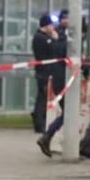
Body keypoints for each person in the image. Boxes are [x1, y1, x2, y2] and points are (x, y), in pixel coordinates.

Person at [33, 13, 68, 157]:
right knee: (65, 112)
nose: (53, 28)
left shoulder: (50, 38)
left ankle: (46, 135)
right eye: (50, 25)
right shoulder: (42, 39)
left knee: (65, 112)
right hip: (49, 76)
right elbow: (54, 52)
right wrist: (56, 39)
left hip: (54, 77)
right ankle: (45, 133)